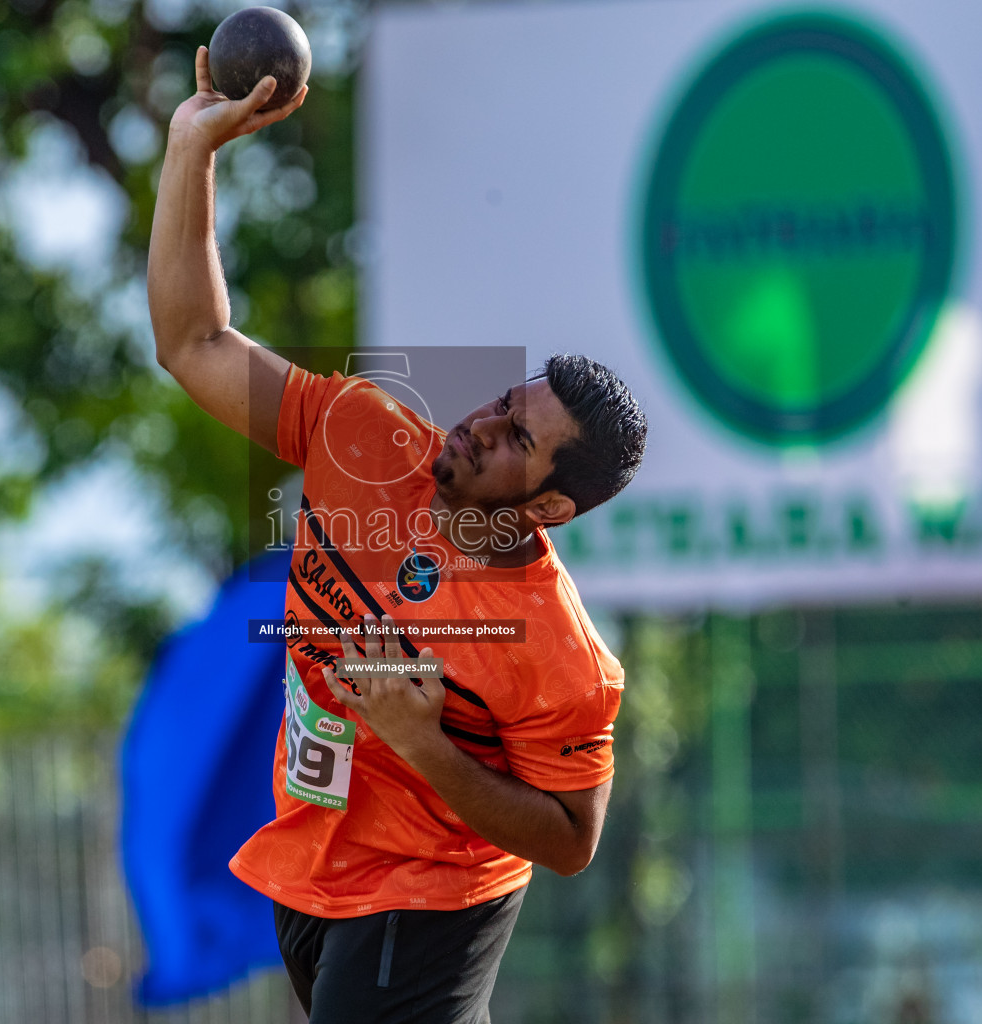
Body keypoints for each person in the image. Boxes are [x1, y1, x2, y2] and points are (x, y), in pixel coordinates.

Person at [148, 52, 647, 1023]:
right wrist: (190, 150)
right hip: (314, 853)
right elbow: (195, 345)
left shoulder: (558, 655)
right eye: (505, 401)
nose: (485, 423)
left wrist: (423, 741)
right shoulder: (366, 434)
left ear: (546, 509)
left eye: (517, 440)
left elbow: (572, 838)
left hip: (430, 889)